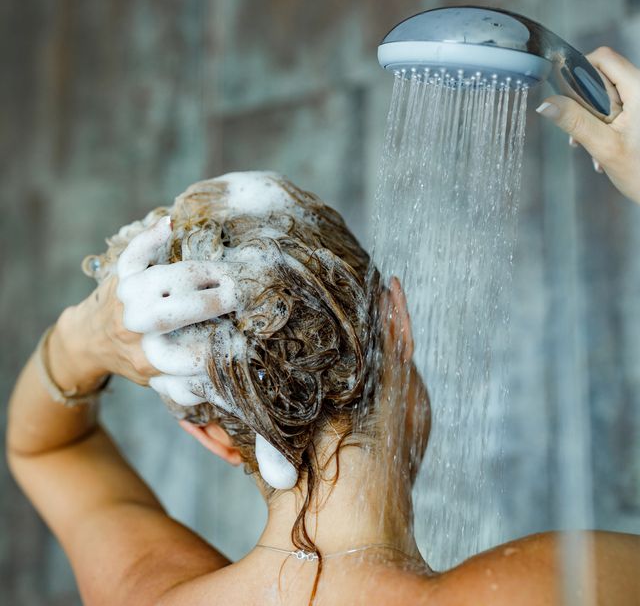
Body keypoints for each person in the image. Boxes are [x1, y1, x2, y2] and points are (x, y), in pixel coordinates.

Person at [6, 46, 640, 606]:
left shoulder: (144, 593)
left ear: (216, 439)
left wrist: (86, 336)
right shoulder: (561, 584)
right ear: (396, 324)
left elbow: (43, 447)